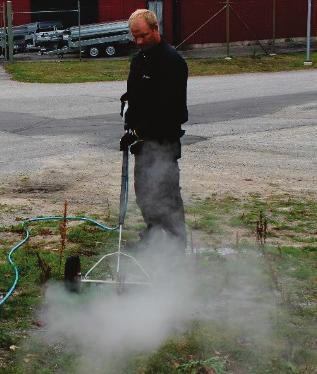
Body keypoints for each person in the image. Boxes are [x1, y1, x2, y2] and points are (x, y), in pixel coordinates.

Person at [120, 9, 188, 252]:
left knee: (166, 196)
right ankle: (153, 235)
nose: (139, 42)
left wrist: (142, 131)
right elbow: (138, 96)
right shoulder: (139, 60)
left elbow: (172, 110)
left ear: (155, 29)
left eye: (143, 36)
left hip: (163, 143)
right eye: (135, 37)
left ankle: (175, 245)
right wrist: (128, 110)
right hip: (142, 143)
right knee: (145, 193)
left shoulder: (172, 62)